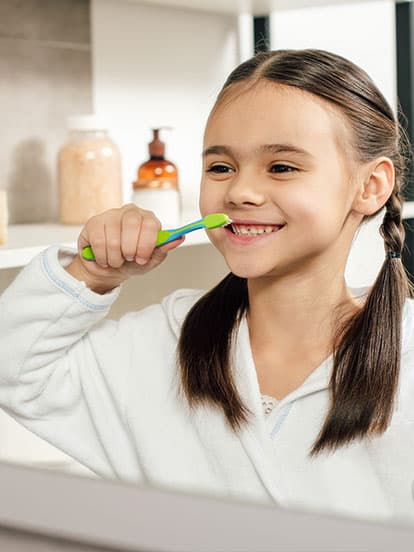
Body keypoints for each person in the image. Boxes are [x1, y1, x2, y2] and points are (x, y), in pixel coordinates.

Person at [1, 49, 414, 524]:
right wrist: (93, 275)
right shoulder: (163, 344)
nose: (240, 192)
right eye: (221, 168)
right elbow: (13, 368)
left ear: (371, 186)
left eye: (281, 167)